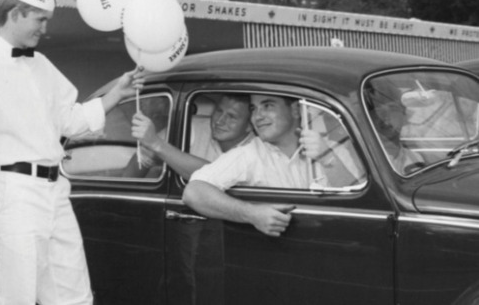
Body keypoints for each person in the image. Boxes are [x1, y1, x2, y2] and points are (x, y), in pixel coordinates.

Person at [0, 0, 143, 305]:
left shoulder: (43, 65)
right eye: (40, 19)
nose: (45, 28)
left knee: (73, 294)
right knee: (17, 297)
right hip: (10, 196)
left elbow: (72, 120)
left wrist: (116, 94)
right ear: (17, 13)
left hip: (55, 191)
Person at [182, 94, 352, 237]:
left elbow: (363, 201)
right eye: (254, 109)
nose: (258, 116)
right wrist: (252, 214)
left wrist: (328, 158)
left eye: (268, 106)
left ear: (294, 110)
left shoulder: (331, 148)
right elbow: (194, 192)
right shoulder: (249, 154)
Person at [123, 93, 255, 179]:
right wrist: (125, 192)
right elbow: (144, 154)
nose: (219, 121)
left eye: (231, 117)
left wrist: (158, 144)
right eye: (218, 110)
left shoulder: (258, 149)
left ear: (250, 125)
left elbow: (218, 174)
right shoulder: (192, 126)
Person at [365, 81, 426, 174]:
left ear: (403, 115)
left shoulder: (415, 159)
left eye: (392, 109)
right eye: (377, 112)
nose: (385, 119)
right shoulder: (355, 162)